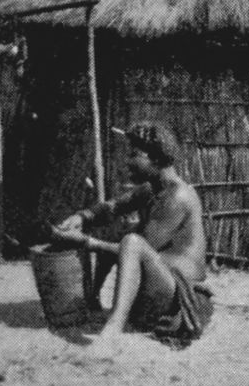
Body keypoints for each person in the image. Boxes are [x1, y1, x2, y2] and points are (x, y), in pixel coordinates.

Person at [56, 122, 211, 349]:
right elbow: (113, 207)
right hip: (156, 288)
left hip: (176, 297)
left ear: (156, 159)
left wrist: (87, 243)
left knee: (131, 240)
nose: (128, 162)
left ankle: (113, 329)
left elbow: (135, 250)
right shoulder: (152, 189)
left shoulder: (178, 197)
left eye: (134, 155)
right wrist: (82, 217)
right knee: (120, 231)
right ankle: (92, 300)